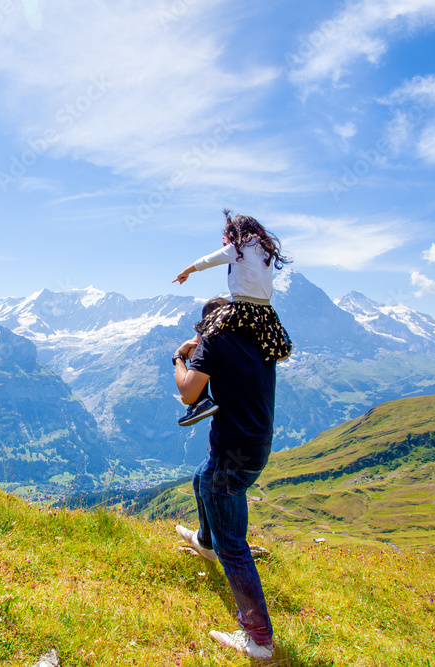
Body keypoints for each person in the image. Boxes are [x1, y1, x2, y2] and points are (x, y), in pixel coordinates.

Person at [169, 210, 289, 661]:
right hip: (257, 444)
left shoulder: (215, 341)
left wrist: (179, 359)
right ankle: (205, 542)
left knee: (235, 545)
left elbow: (187, 395)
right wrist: (201, 345)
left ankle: (258, 640)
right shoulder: (264, 338)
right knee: (204, 479)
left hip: (233, 452)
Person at [172, 210, 291, 426]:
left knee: (207, 330)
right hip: (265, 313)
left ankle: (199, 398)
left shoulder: (237, 248)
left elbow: (208, 260)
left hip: (241, 307)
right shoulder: (265, 251)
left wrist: (186, 271)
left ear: (234, 232)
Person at [177, 296, 229, 427]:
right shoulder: (252, 339)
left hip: (230, 435)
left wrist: (178, 357)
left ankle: (200, 402)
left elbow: (187, 396)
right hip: (264, 430)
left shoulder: (210, 344)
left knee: (194, 348)